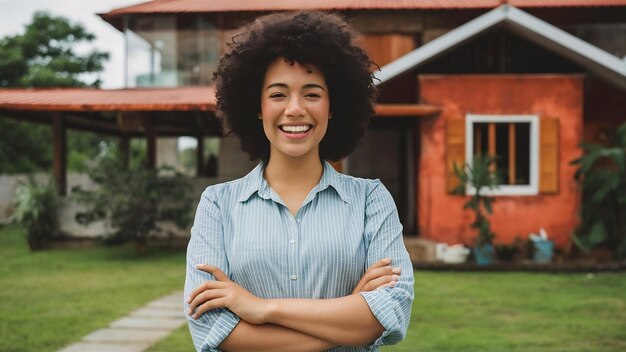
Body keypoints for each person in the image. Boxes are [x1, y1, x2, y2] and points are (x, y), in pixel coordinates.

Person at [184, 11, 414, 351]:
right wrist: (348, 314)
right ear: (257, 106)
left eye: (312, 93)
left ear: (333, 105)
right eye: (278, 94)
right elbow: (213, 330)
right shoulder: (218, 205)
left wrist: (261, 309)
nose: (295, 109)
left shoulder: (371, 200)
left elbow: (389, 313)